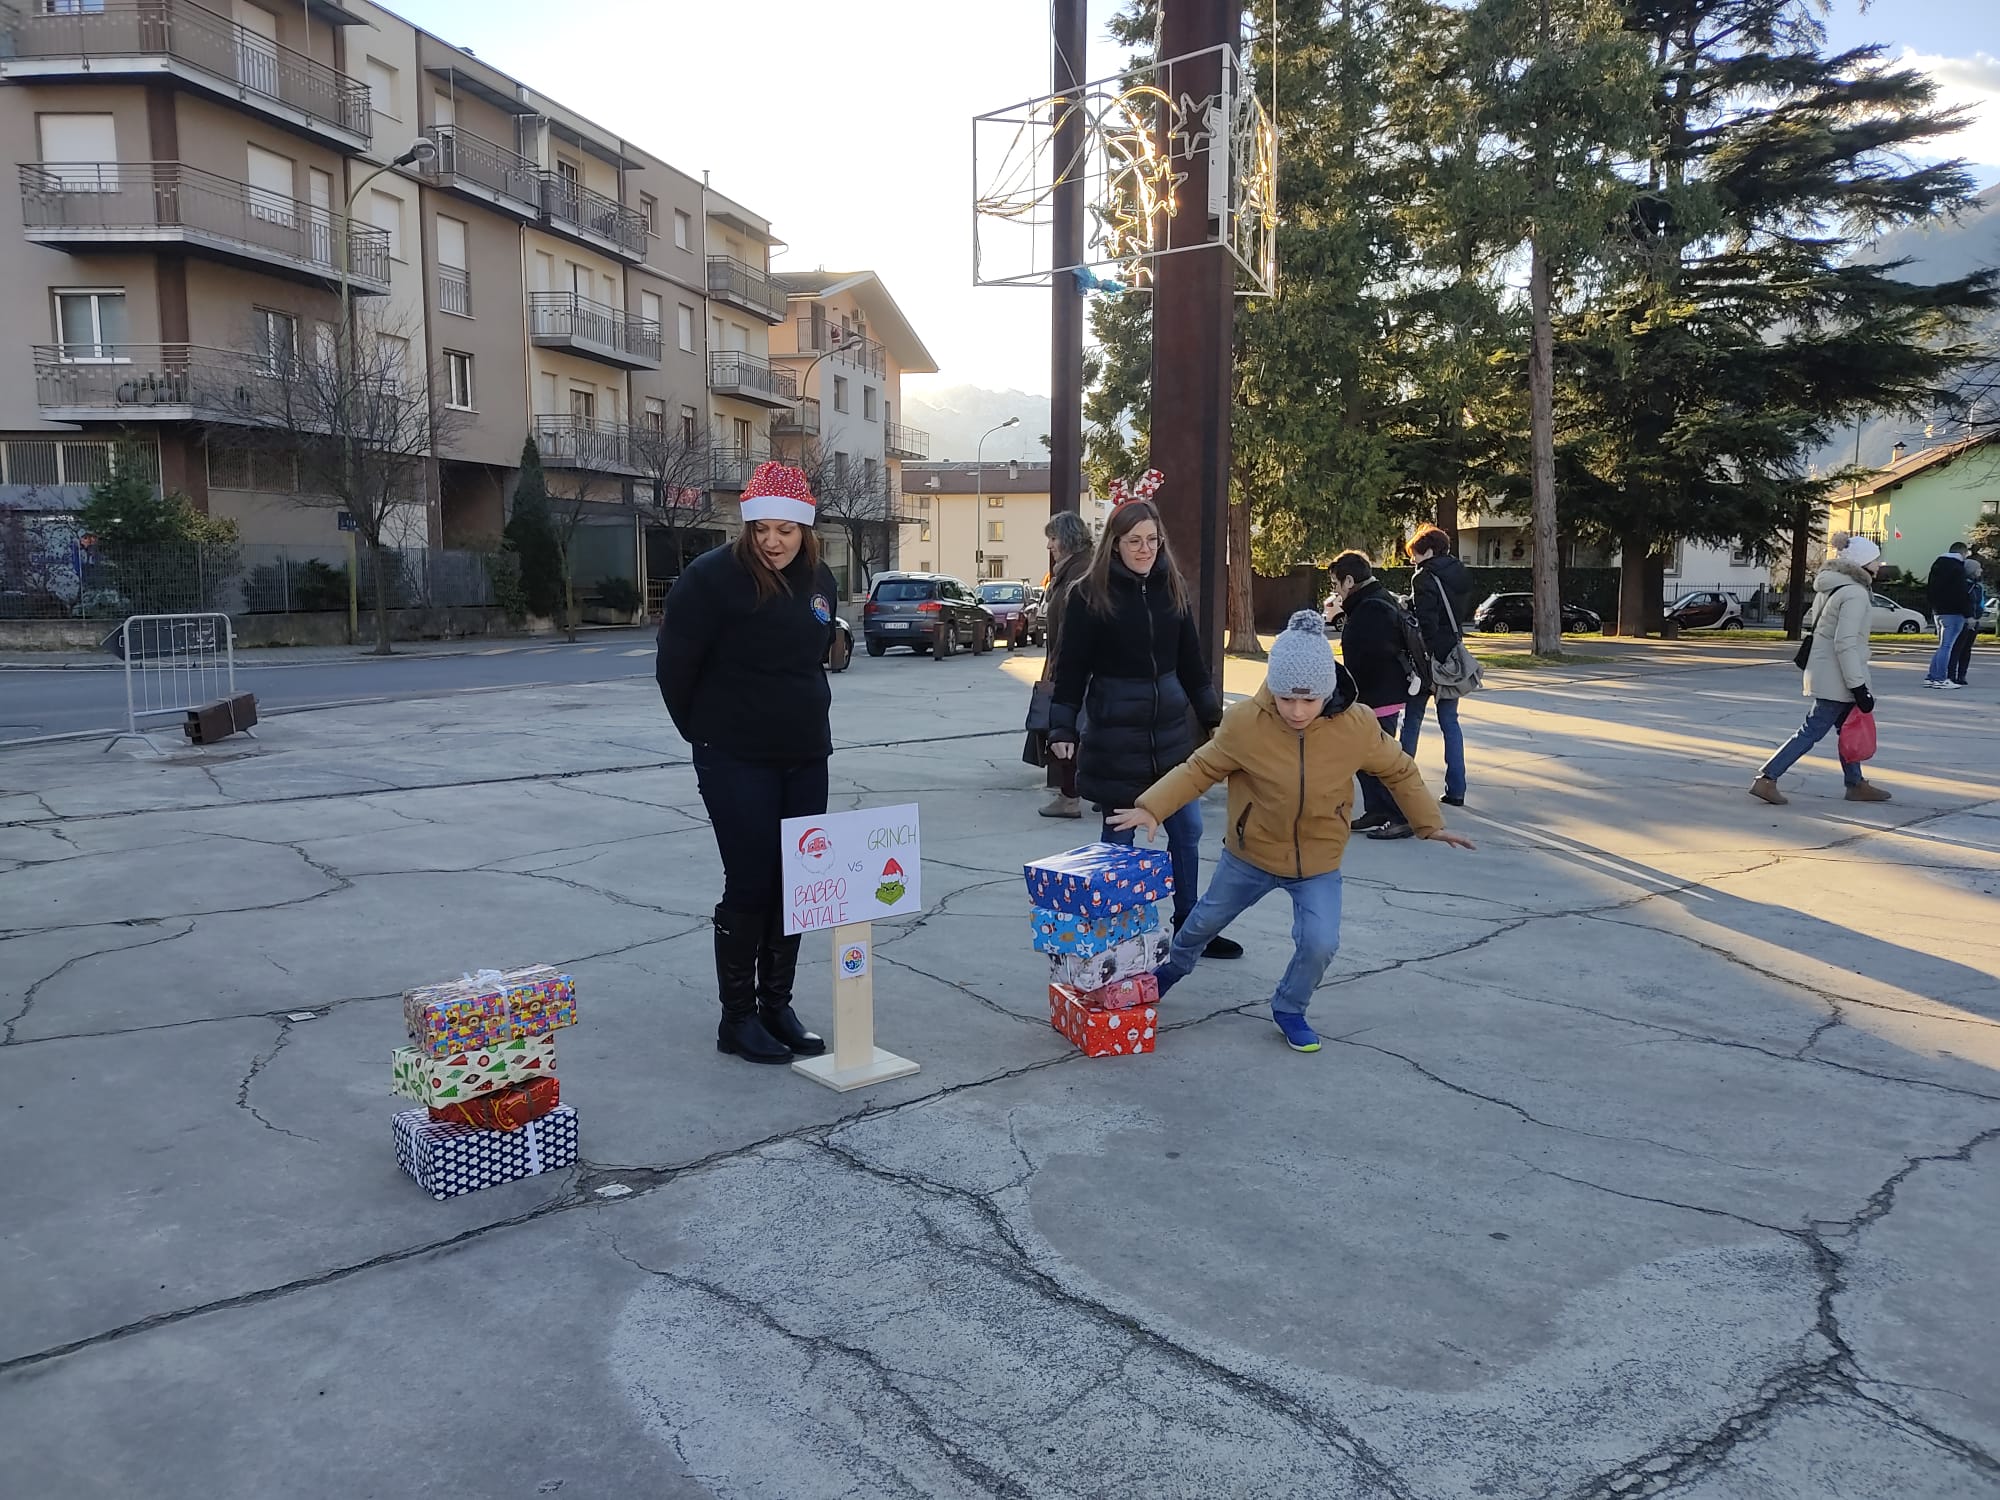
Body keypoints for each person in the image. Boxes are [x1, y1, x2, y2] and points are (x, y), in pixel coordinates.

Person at [1109, 612, 1475, 1053]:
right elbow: (1200, 767)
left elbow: (1398, 768)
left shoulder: (1356, 725)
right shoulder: (1246, 722)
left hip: (1318, 861)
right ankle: (1169, 970)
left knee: (1321, 943)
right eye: (1286, 699)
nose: (1297, 711)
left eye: (1309, 701)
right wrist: (1153, 806)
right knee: (1203, 920)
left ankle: (1290, 1006)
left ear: (1327, 692)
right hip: (1251, 855)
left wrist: (1428, 823)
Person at [656, 462, 841, 1064]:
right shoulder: (710, 580)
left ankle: (775, 1005)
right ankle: (736, 1019)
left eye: (786, 530)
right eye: (761, 528)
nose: (772, 541)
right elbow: (675, 668)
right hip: (735, 760)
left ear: (805, 530)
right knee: (752, 883)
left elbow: (814, 658)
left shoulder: (819, 579)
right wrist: (707, 735)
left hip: (806, 756)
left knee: (796, 885)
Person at [1049, 495, 1242, 959]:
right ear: (1114, 545)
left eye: (1152, 540)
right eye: (1134, 540)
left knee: (1188, 831)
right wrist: (1061, 728)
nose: (1145, 549)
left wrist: (1213, 717)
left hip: (1173, 736)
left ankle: (1191, 929)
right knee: (1119, 837)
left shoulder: (1171, 586)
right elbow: (1071, 668)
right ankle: (1112, 936)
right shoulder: (1088, 594)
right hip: (1117, 734)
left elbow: (1192, 661)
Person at [1751, 535, 1892, 806]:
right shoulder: (1855, 593)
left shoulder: (1831, 587)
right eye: (1875, 559)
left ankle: (1856, 784)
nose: (1879, 564)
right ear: (1862, 563)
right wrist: (1858, 685)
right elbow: (1845, 642)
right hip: (1839, 678)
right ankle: (1767, 778)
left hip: (1826, 670)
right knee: (1812, 730)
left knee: (1845, 729)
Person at [1328, 550, 1420, 840]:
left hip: (1377, 696)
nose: (1335, 590)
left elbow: (1370, 655)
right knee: (1362, 757)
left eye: (1335, 583)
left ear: (1350, 580)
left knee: (1378, 759)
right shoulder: (1371, 601)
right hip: (1375, 694)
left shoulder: (1372, 607)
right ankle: (1378, 809)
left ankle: (1399, 816)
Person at [1402, 525, 1472, 808]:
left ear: (1428, 551)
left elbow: (1427, 623)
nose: (1413, 560)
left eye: (1415, 554)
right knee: (1450, 723)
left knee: (1413, 719)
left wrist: (1409, 609)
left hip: (1428, 660)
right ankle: (1456, 789)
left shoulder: (1424, 577)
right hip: (1452, 655)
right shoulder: (1461, 573)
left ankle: (1401, 783)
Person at [1031, 511, 1096, 818]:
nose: (1049, 545)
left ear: (1068, 539)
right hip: (1071, 660)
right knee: (1084, 729)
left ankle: (1070, 797)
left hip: (1077, 664)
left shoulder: (1081, 571)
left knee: (1070, 728)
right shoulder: (1072, 569)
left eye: (1053, 538)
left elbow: (1077, 623)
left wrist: (1060, 662)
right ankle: (1097, 793)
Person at [1925, 541, 1976, 689]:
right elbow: (1961, 593)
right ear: (1962, 552)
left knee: (1942, 646)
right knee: (1947, 646)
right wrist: (1969, 615)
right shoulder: (1957, 568)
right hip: (1954, 612)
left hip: (1939, 611)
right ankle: (1940, 678)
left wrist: (1934, 607)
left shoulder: (1938, 565)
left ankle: (1932, 676)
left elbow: (1930, 589)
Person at [1950, 558, 1984, 686]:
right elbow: (1962, 602)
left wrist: (1977, 617)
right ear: (1972, 571)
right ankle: (1951, 675)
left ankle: (1962, 675)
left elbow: (1981, 604)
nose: (1980, 571)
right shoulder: (1963, 586)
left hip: (1974, 621)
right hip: (1963, 620)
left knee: (1967, 649)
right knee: (1957, 648)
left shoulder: (1978, 587)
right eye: (1978, 568)